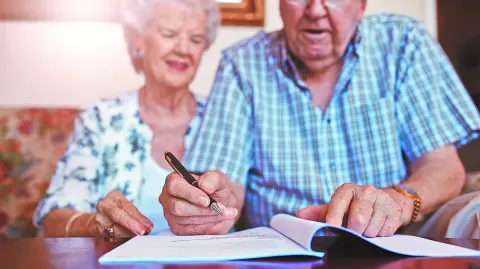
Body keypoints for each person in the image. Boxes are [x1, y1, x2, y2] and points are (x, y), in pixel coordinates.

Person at [159, 0, 480, 237]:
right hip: (280, 254)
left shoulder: (403, 43)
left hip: (395, 247)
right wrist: (209, 205)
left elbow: (444, 168)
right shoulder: (241, 63)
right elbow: (229, 191)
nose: (315, 9)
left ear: (362, 5)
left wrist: (395, 203)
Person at [33, 0, 220, 237]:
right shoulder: (101, 119)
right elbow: (54, 217)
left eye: (195, 39)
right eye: (169, 34)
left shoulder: (223, 117)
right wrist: (95, 224)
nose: (183, 49)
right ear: (137, 39)